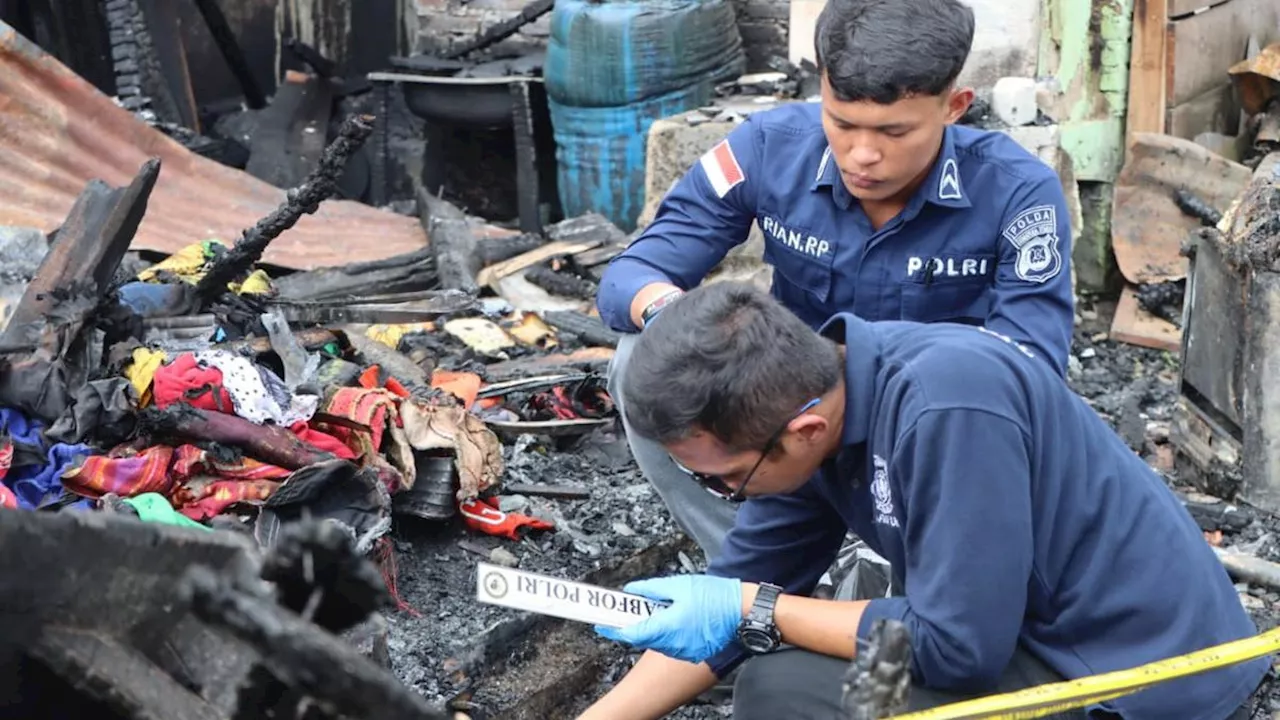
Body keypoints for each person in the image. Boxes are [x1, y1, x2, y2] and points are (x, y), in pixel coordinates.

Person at [576, 281, 1267, 720]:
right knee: (777, 675)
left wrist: (759, 612)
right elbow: (733, 598)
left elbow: (956, 648)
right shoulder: (812, 405)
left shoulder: (949, 406)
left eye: (721, 479)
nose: (722, 495)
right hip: (1027, 630)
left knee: (783, 692)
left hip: (1138, 673)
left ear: (803, 430)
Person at [597, 0, 1077, 564]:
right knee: (642, 357)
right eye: (842, 124)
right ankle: (746, 563)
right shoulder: (767, 147)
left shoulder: (1017, 191)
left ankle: (914, 574)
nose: (862, 155)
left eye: (894, 131)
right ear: (820, 92)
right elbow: (631, 274)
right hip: (790, 414)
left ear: (955, 107)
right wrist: (672, 315)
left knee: (935, 619)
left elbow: (1031, 365)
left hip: (932, 427)